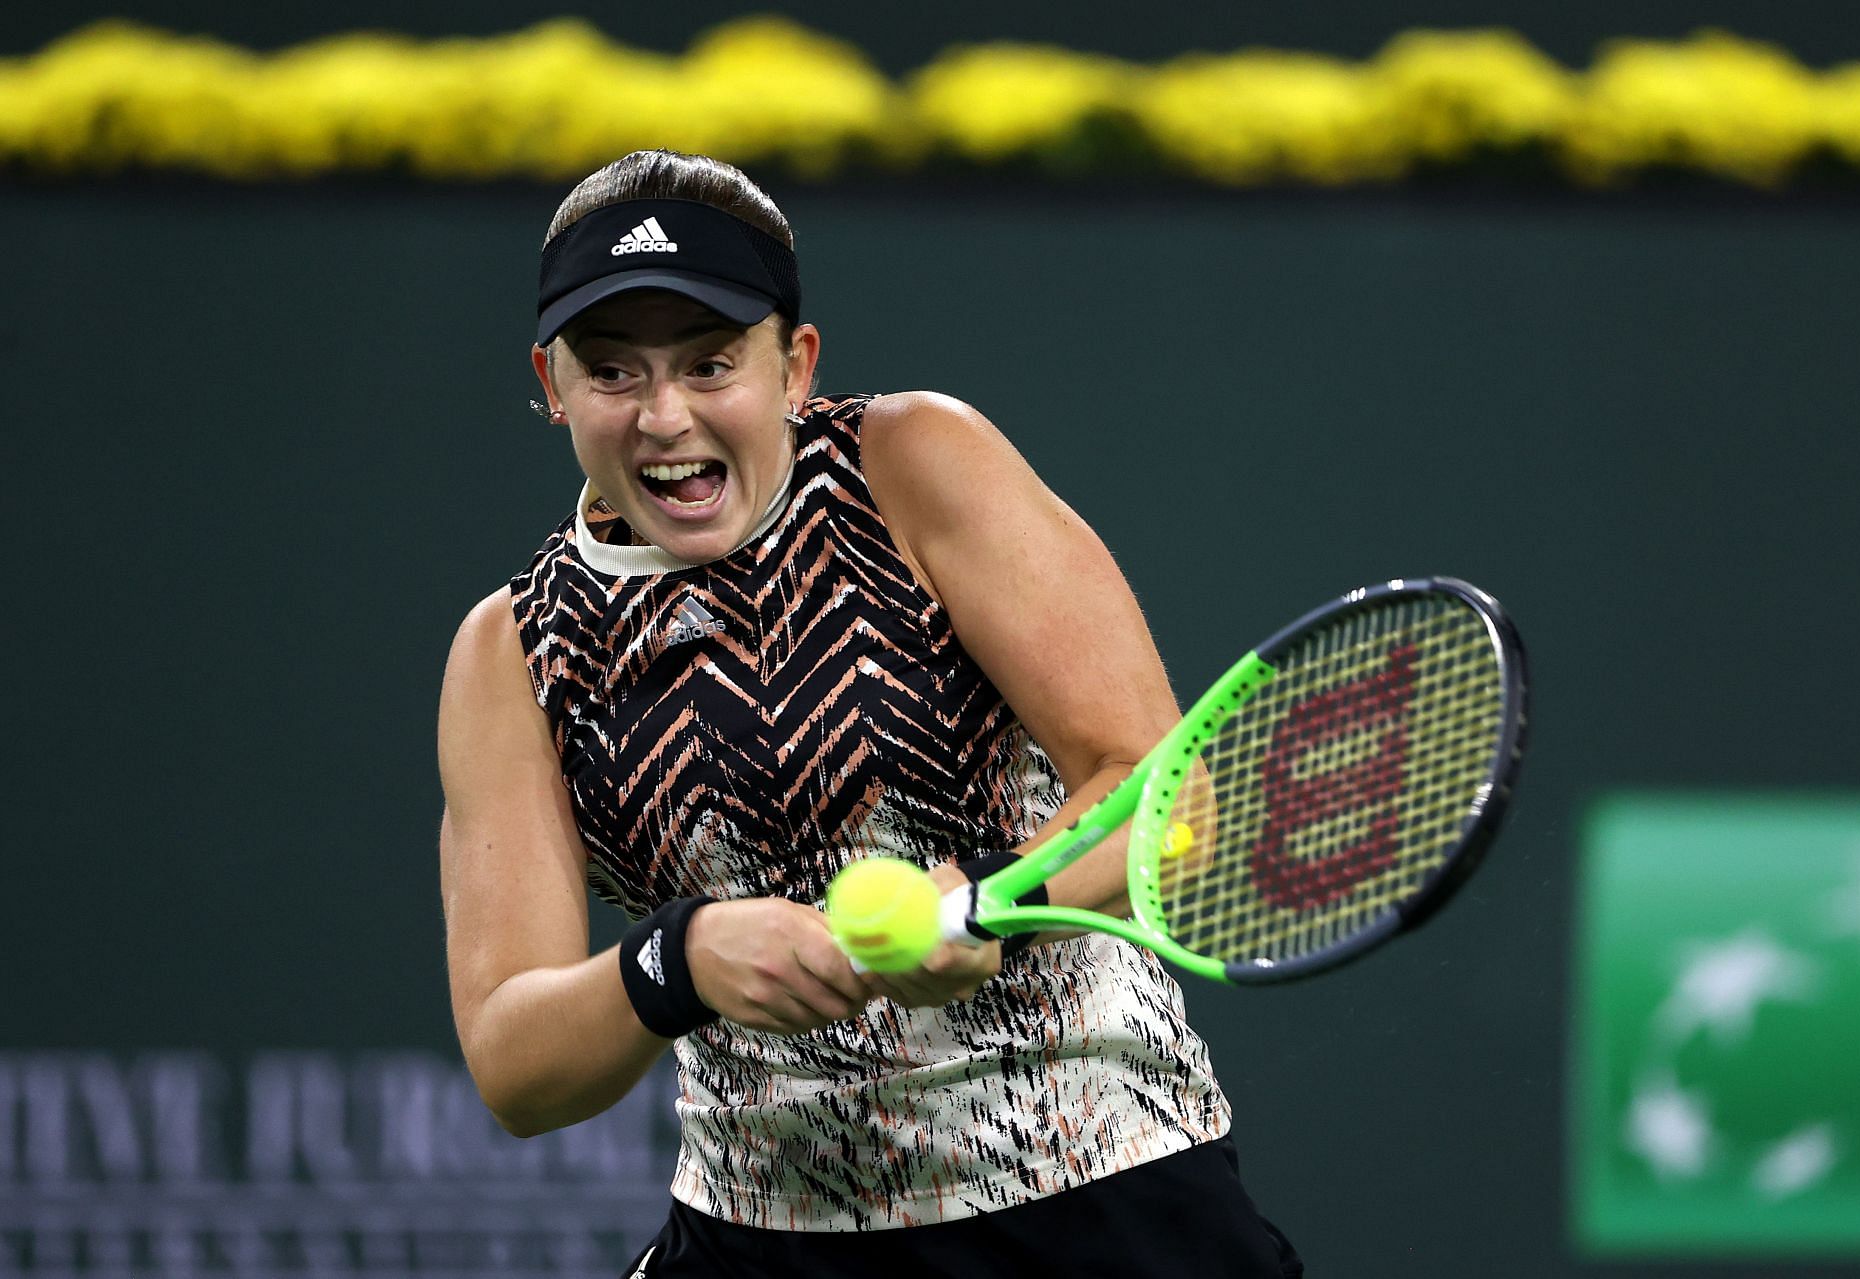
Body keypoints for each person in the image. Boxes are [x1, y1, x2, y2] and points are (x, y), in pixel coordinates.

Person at [437, 148, 1304, 1277]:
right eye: (614, 372)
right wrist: (681, 961)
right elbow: (514, 1062)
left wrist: (994, 907)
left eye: (710, 365)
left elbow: (1168, 789)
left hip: (1099, 1196)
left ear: (794, 367)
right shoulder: (513, 650)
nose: (664, 416)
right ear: (552, 387)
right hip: (764, 1232)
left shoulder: (914, 467)